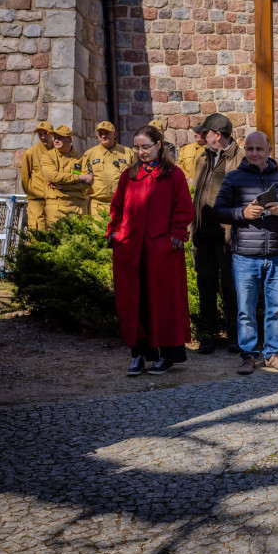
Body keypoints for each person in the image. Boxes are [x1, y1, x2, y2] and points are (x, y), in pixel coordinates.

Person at [107, 124, 195, 376]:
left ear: (158, 145)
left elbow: (183, 209)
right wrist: (114, 234)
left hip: (162, 252)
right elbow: (117, 207)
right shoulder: (129, 175)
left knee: (163, 303)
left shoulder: (174, 175)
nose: (140, 152)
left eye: (145, 147)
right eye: (137, 147)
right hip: (131, 251)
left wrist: (174, 238)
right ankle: (138, 355)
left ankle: (168, 354)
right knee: (134, 303)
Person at [214, 131, 278, 376]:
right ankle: (248, 355)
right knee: (245, 310)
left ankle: (273, 354)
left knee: (275, 308)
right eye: (250, 148)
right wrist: (242, 214)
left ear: (268, 150)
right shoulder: (233, 178)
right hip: (245, 256)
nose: (254, 153)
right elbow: (218, 211)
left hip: (276, 254)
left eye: (259, 149)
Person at [191, 113, 245, 354]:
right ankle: (208, 335)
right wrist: (192, 229)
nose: (201, 136)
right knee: (206, 286)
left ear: (218, 135)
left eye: (205, 132)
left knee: (232, 288)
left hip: (227, 237)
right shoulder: (202, 158)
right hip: (203, 235)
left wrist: (236, 233)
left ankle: (236, 335)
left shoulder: (240, 159)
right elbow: (197, 194)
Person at [41, 125, 92, 225]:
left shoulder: (82, 159)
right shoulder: (48, 156)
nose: (56, 140)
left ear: (70, 139)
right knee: (55, 235)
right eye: (55, 137)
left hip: (77, 205)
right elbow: (54, 177)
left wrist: (62, 186)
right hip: (55, 206)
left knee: (78, 235)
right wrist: (80, 177)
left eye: (60, 137)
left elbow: (88, 182)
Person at [84, 121, 136, 217]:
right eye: (100, 134)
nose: (103, 136)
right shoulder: (89, 154)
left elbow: (137, 175)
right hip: (97, 206)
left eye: (107, 133)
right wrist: (82, 176)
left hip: (121, 205)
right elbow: (77, 172)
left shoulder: (127, 153)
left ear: (114, 134)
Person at [20, 121, 54, 231]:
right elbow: (25, 178)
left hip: (54, 201)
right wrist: (33, 193)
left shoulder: (58, 152)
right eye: (40, 134)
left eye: (46, 134)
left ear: (52, 134)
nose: (43, 137)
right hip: (37, 200)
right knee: (36, 231)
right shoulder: (30, 153)